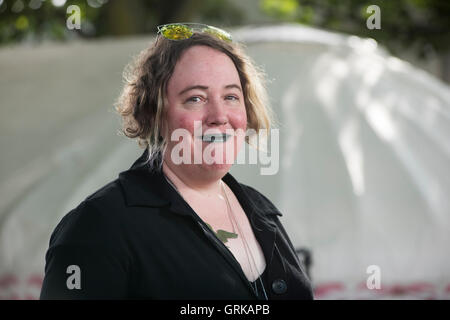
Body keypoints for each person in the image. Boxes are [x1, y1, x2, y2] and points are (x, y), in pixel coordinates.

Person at [40, 23, 313, 300]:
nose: (219, 115)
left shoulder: (262, 213)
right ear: (154, 113)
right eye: (195, 98)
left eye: (231, 96)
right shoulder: (98, 227)